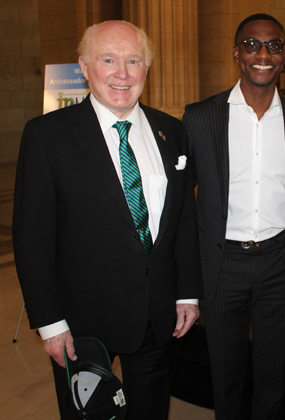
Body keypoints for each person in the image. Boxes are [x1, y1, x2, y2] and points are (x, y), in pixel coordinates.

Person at [12, 20, 203, 419]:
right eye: (109, 60)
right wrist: (50, 324)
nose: (123, 73)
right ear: (84, 67)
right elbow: (33, 239)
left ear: (147, 67)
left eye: (134, 60)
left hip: (156, 315)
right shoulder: (47, 136)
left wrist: (186, 293)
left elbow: (183, 221)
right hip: (82, 323)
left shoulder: (172, 132)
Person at [183, 13, 285, 420]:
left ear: (284, 56)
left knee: (272, 374)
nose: (263, 54)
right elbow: (179, 199)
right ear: (236, 53)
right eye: (252, 45)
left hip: (280, 261)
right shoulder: (200, 117)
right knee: (225, 375)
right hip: (222, 263)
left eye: (274, 46)